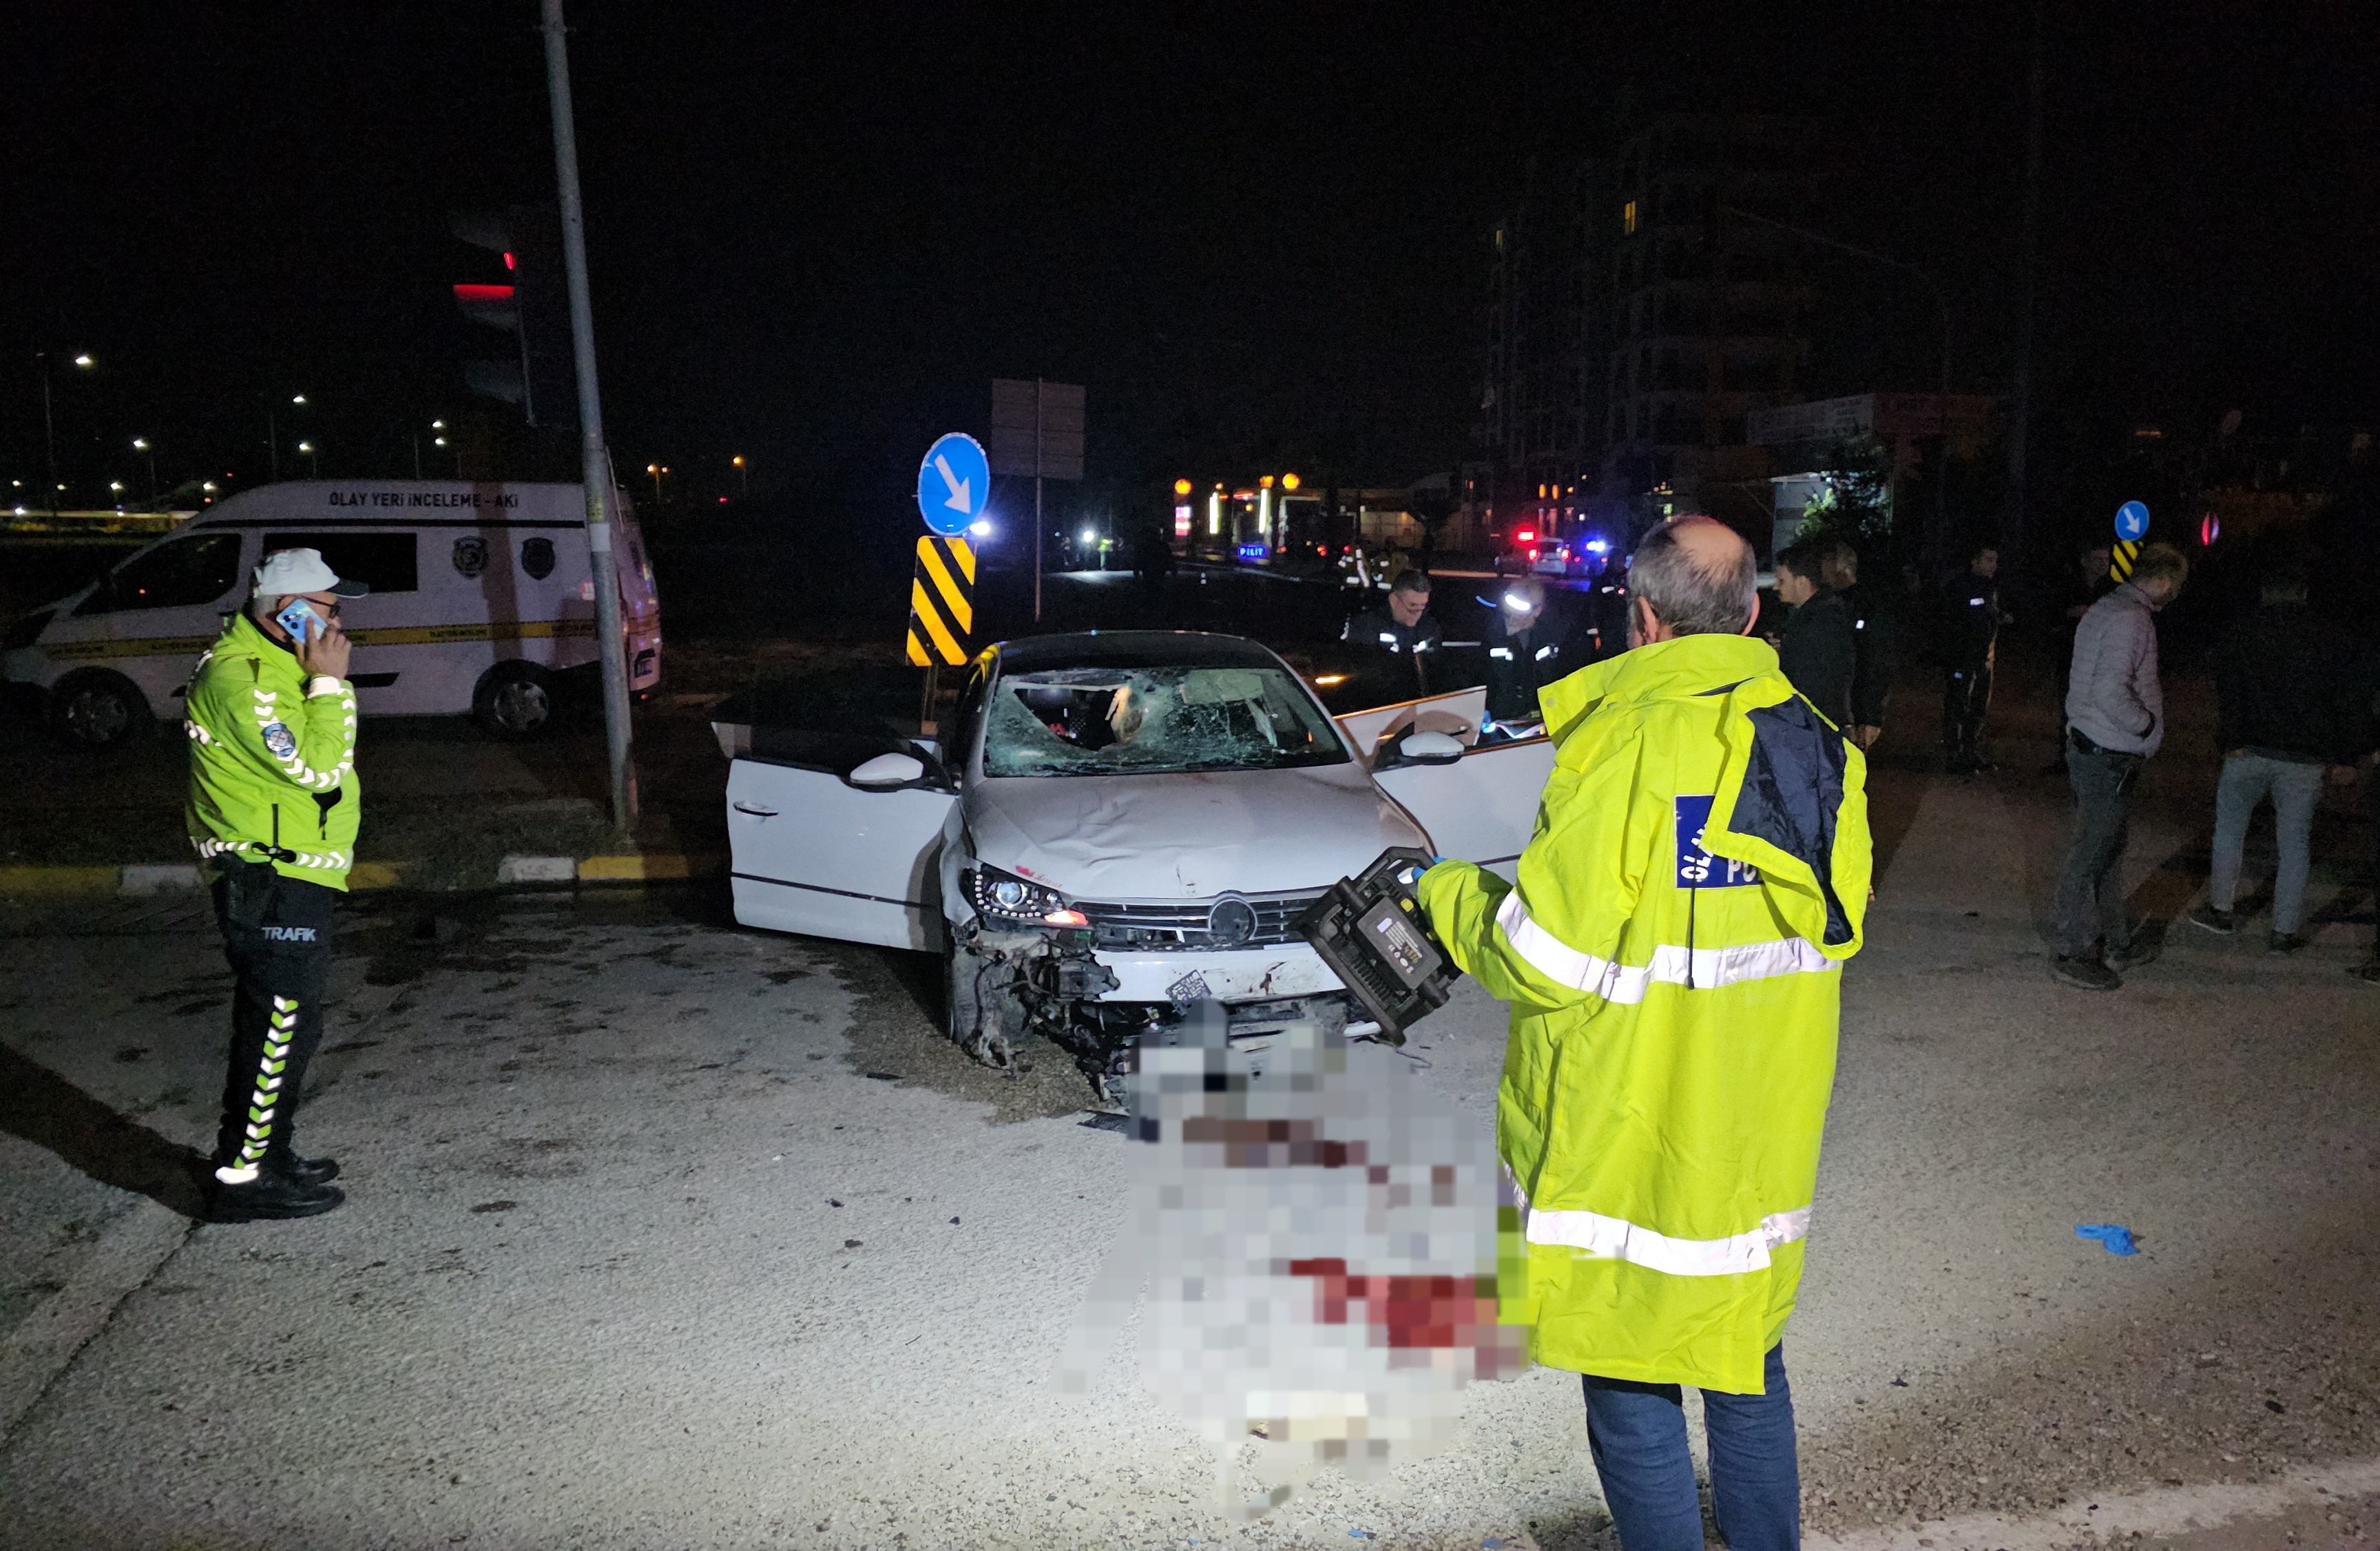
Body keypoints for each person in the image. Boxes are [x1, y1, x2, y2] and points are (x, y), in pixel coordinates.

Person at [1418, 515, 1870, 1551]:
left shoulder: (1622, 747)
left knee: (1630, 1382)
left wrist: (1446, 894)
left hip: (1628, 1138)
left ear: (1641, 621)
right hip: (1755, 1135)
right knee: (1748, 1367)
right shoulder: (1813, 742)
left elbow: (1542, 961)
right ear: (1753, 613)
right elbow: (1832, 929)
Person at [186, 547, 367, 1220]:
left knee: (291, 1027)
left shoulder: (274, 666)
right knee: (277, 1027)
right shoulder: (248, 681)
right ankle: (241, 1176)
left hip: (293, 869)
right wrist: (330, 684)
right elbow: (319, 770)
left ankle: (272, 1151)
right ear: (289, 612)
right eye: (330, 606)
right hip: (268, 875)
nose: (341, 618)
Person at [2187, 570, 2359, 955]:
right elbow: (2346, 700)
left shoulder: (2242, 631)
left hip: (2248, 749)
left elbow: (2228, 687)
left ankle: (2221, 910)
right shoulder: (2332, 638)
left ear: (2265, 591)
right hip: (2304, 757)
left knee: (2230, 830)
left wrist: (2230, 739)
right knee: (2294, 843)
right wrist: (2345, 755)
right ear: (2304, 591)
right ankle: (2283, 932)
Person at [2052, 543, 2187, 990]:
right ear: (2165, 581)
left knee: (2107, 851)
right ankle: (2074, 949)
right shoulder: (2132, 619)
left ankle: (2117, 941)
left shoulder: (2107, 610)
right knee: (2092, 851)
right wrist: (2145, 724)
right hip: (2106, 753)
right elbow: (2111, 689)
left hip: (2096, 748)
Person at [1773, 540, 1856, 729]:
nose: (1775, 587)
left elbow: (1810, 682)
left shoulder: (1822, 622)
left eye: (1782, 581)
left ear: (1801, 581)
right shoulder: (1812, 616)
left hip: (1815, 727)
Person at [1822, 540, 1892, 750]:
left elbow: (1878, 662)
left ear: (1841, 568)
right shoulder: (1826, 604)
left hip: (1853, 712)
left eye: (1826, 565)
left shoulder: (1867, 606)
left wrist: (1870, 717)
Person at [1939, 542, 2002, 773]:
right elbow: (1950, 623)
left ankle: (1971, 751)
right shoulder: (1959, 587)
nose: (1992, 565)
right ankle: (1954, 755)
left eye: (1995, 560)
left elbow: (1988, 619)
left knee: (1978, 706)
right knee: (1958, 704)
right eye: (1988, 559)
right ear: (1974, 561)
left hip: (1984, 659)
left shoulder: (1991, 587)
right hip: (1962, 658)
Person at [1481, 576, 1573, 721]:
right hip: (1500, 713)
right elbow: (1483, 674)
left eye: (1523, 607)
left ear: (1537, 610)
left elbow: (1551, 676)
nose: (1515, 613)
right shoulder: (1493, 632)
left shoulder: (1546, 635)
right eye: (1512, 604)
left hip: (1536, 713)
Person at [1342, 569, 1443, 696]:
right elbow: (1362, 672)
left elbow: (1437, 669)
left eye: (1422, 606)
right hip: (1376, 702)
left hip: (1420, 700)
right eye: (1412, 606)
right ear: (1394, 600)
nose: (1417, 614)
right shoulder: (1367, 625)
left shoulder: (1430, 628)